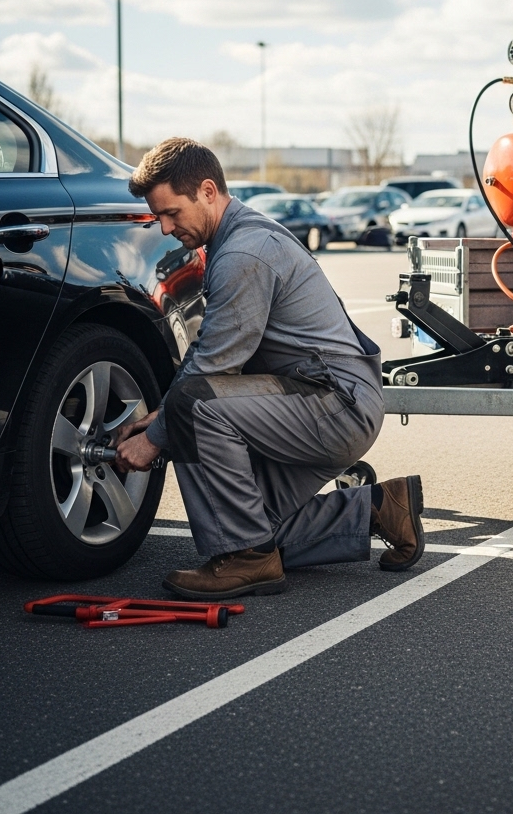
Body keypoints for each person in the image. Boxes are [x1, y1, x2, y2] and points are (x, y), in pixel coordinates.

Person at [115, 138, 423, 599]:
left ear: (206, 191)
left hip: (335, 405)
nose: (163, 227)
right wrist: (156, 421)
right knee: (254, 524)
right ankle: (381, 508)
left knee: (191, 406)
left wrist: (153, 441)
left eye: (172, 213)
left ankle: (246, 560)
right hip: (319, 398)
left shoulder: (244, 252)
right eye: (158, 216)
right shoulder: (238, 233)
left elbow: (211, 370)